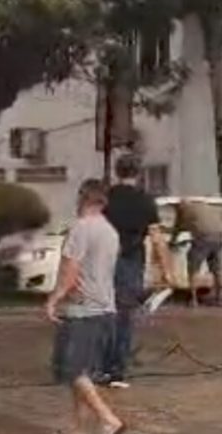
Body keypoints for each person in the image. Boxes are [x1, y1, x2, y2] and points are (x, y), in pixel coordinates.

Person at [46, 179, 126, 434]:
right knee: (83, 373)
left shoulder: (81, 228)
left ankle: (109, 419)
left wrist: (54, 298)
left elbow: (71, 270)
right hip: (105, 308)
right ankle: (76, 428)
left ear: (83, 197)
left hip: (81, 309)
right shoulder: (110, 231)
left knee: (70, 369)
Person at [101, 154, 173, 388]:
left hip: (102, 260)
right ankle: (116, 371)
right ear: (138, 173)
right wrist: (167, 271)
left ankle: (97, 365)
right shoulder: (145, 201)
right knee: (124, 315)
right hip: (130, 261)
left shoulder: (105, 198)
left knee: (102, 312)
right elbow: (157, 238)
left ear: (116, 171)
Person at [171, 198, 222, 307]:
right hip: (218, 236)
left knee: (193, 267)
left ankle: (193, 300)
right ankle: (219, 297)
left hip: (203, 237)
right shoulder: (206, 207)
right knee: (216, 268)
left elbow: (177, 228)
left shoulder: (183, 210)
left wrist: (172, 242)